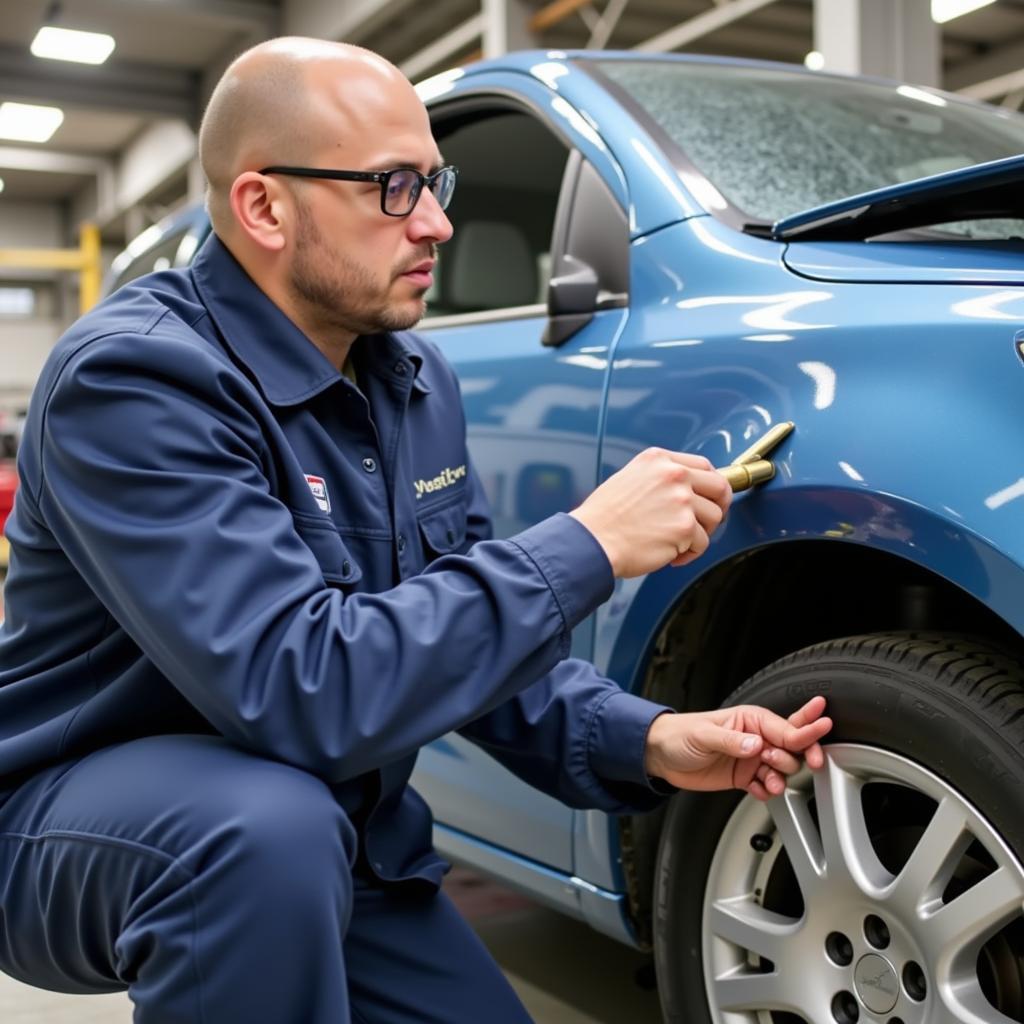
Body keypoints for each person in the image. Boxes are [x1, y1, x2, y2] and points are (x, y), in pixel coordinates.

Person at [0, 37, 831, 1024]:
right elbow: (302, 686)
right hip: (89, 824)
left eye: (435, 181)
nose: (436, 222)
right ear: (265, 206)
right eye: (394, 187)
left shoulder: (409, 375)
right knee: (261, 833)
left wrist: (646, 735)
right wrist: (588, 543)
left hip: (338, 836)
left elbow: (464, 642)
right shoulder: (136, 383)